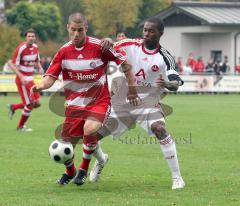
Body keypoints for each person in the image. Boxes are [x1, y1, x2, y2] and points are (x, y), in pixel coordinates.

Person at [31, 12, 138, 186]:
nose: (76, 34)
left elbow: (125, 64)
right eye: (73, 30)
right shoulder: (63, 51)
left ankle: (83, 170)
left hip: (99, 101)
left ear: (86, 28)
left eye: (80, 30)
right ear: (68, 28)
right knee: (67, 146)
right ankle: (71, 171)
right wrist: (39, 86)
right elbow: (50, 77)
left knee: (89, 129)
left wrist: (132, 88)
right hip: (74, 106)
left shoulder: (100, 47)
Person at [90, 17, 185, 190]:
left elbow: (176, 82)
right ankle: (101, 160)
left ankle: (177, 178)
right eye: (145, 30)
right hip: (123, 101)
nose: (146, 34)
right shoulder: (131, 45)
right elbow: (112, 45)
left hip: (148, 103)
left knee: (160, 129)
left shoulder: (165, 57)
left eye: (151, 31)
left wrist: (168, 84)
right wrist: (109, 40)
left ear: (160, 34)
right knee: (92, 136)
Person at [7, 28, 44, 131]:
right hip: (22, 80)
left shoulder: (36, 48)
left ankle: (13, 107)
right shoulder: (20, 48)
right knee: (30, 104)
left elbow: (37, 61)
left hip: (30, 80)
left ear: (35, 38)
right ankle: (20, 127)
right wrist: (21, 76)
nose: (31, 38)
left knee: (37, 103)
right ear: (26, 37)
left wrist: (40, 67)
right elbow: (13, 65)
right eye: (29, 36)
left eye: (33, 36)